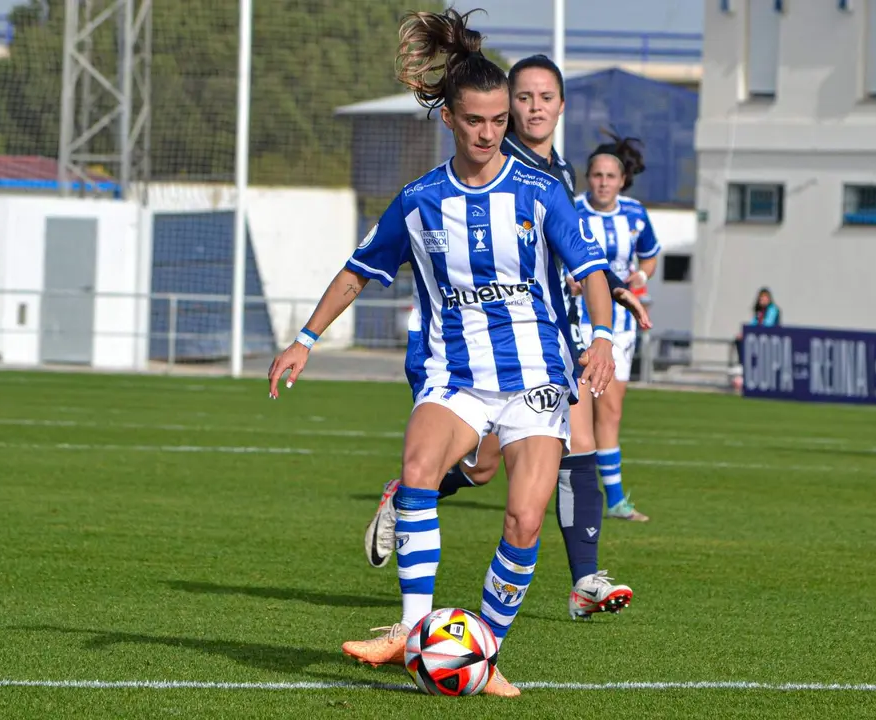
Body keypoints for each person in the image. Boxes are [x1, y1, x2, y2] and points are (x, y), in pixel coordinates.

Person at [268, 8, 617, 697]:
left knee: (523, 516)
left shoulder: (542, 194)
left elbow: (591, 273)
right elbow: (359, 269)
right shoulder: (420, 201)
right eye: (475, 120)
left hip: (536, 376)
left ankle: (480, 653)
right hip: (454, 372)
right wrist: (305, 340)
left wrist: (601, 336)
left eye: (498, 120)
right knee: (419, 467)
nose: (489, 132)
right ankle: (410, 629)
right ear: (450, 120)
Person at [364, 54, 647, 621]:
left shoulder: (558, 174)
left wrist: (606, 293)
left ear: (562, 106)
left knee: (580, 442)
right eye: (525, 98)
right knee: (483, 467)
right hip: (478, 345)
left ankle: (583, 580)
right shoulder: (495, 160)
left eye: (546, 97)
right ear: (506, 108)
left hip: (548, 339)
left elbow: (571, 249)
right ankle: (408, 498)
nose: (534, 107)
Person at [568, 132, 661, 522]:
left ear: (622, 180)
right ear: (587, 179)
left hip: (619, 327)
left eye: (610, 175)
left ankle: (616, 500)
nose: (603, 182)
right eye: (596, 175)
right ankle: (569, 492)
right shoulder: (570, 210)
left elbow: (651, 257)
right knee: (576, 411)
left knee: (611, 410)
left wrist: (639, 275)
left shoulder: (636, 215)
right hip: (576, 324)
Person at [733, 287, 781, 366]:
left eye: (765, 297)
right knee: (739, 339)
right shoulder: (759, 312)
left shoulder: (773, 309)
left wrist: (755, 330)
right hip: (758, 334)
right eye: (761, 298)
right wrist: (744, 333)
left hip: (768, 336)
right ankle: (742, 363)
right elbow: (753, 324)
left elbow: (768, 324)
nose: (762, 299)